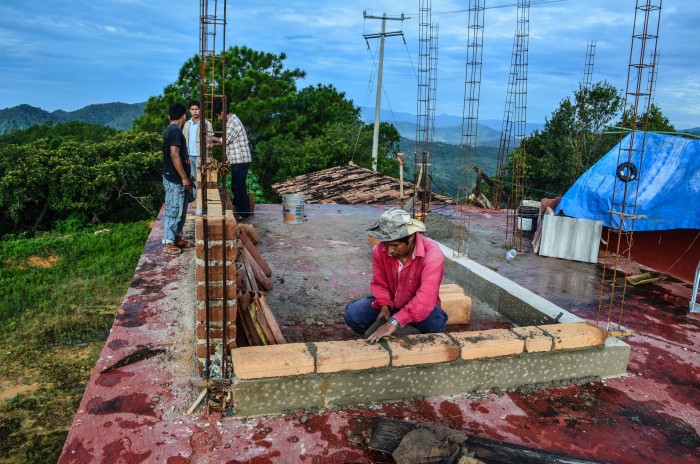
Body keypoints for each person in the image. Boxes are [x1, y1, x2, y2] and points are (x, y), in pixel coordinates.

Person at [344, 208, 448, 343]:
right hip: (392, 303)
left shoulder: (432, 255)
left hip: (419, 306)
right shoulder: (380, 250)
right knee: (354, 315)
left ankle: (406, 321)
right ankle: (385, 324)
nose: (389, 251)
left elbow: (425, 297)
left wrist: (395, 320)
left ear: (410, 238)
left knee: (434, 324)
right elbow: (380, 284)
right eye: (386, 245)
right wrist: (385, 306)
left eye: (395, 245)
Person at [161, 103, 195, 255]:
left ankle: (177, 238)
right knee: (173, 210)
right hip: (175, 179)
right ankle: (168, 241)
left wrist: (188, 176)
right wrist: (183, 177)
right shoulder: (174, 131)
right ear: (183, 116)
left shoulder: (172, 130)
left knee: (181, 210)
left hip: (179, 178)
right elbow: (175, 155)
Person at [211, 101, 252, 220]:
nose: (219, 118)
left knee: (239, 186)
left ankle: (244, 213)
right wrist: (214, 144)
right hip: (236, 160)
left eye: (218, 115)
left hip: (241, 160)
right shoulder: (231, 122)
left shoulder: (233, 122)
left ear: (223, 112)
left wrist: (211, 138)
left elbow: (225, 140)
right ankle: (239, 209)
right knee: (236, 186)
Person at [182, 100, 213, 200]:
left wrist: (209, 145)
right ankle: (196, 199)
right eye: (192, 109)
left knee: (203, 178)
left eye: (196, 109)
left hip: (201, 155)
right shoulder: (187, 124)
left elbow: (210, 139)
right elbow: (183, 139)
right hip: (189, 155)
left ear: (200, 110)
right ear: (189, 111)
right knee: (193, 178)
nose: (194, 111)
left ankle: (203, 199)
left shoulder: (206, 123)